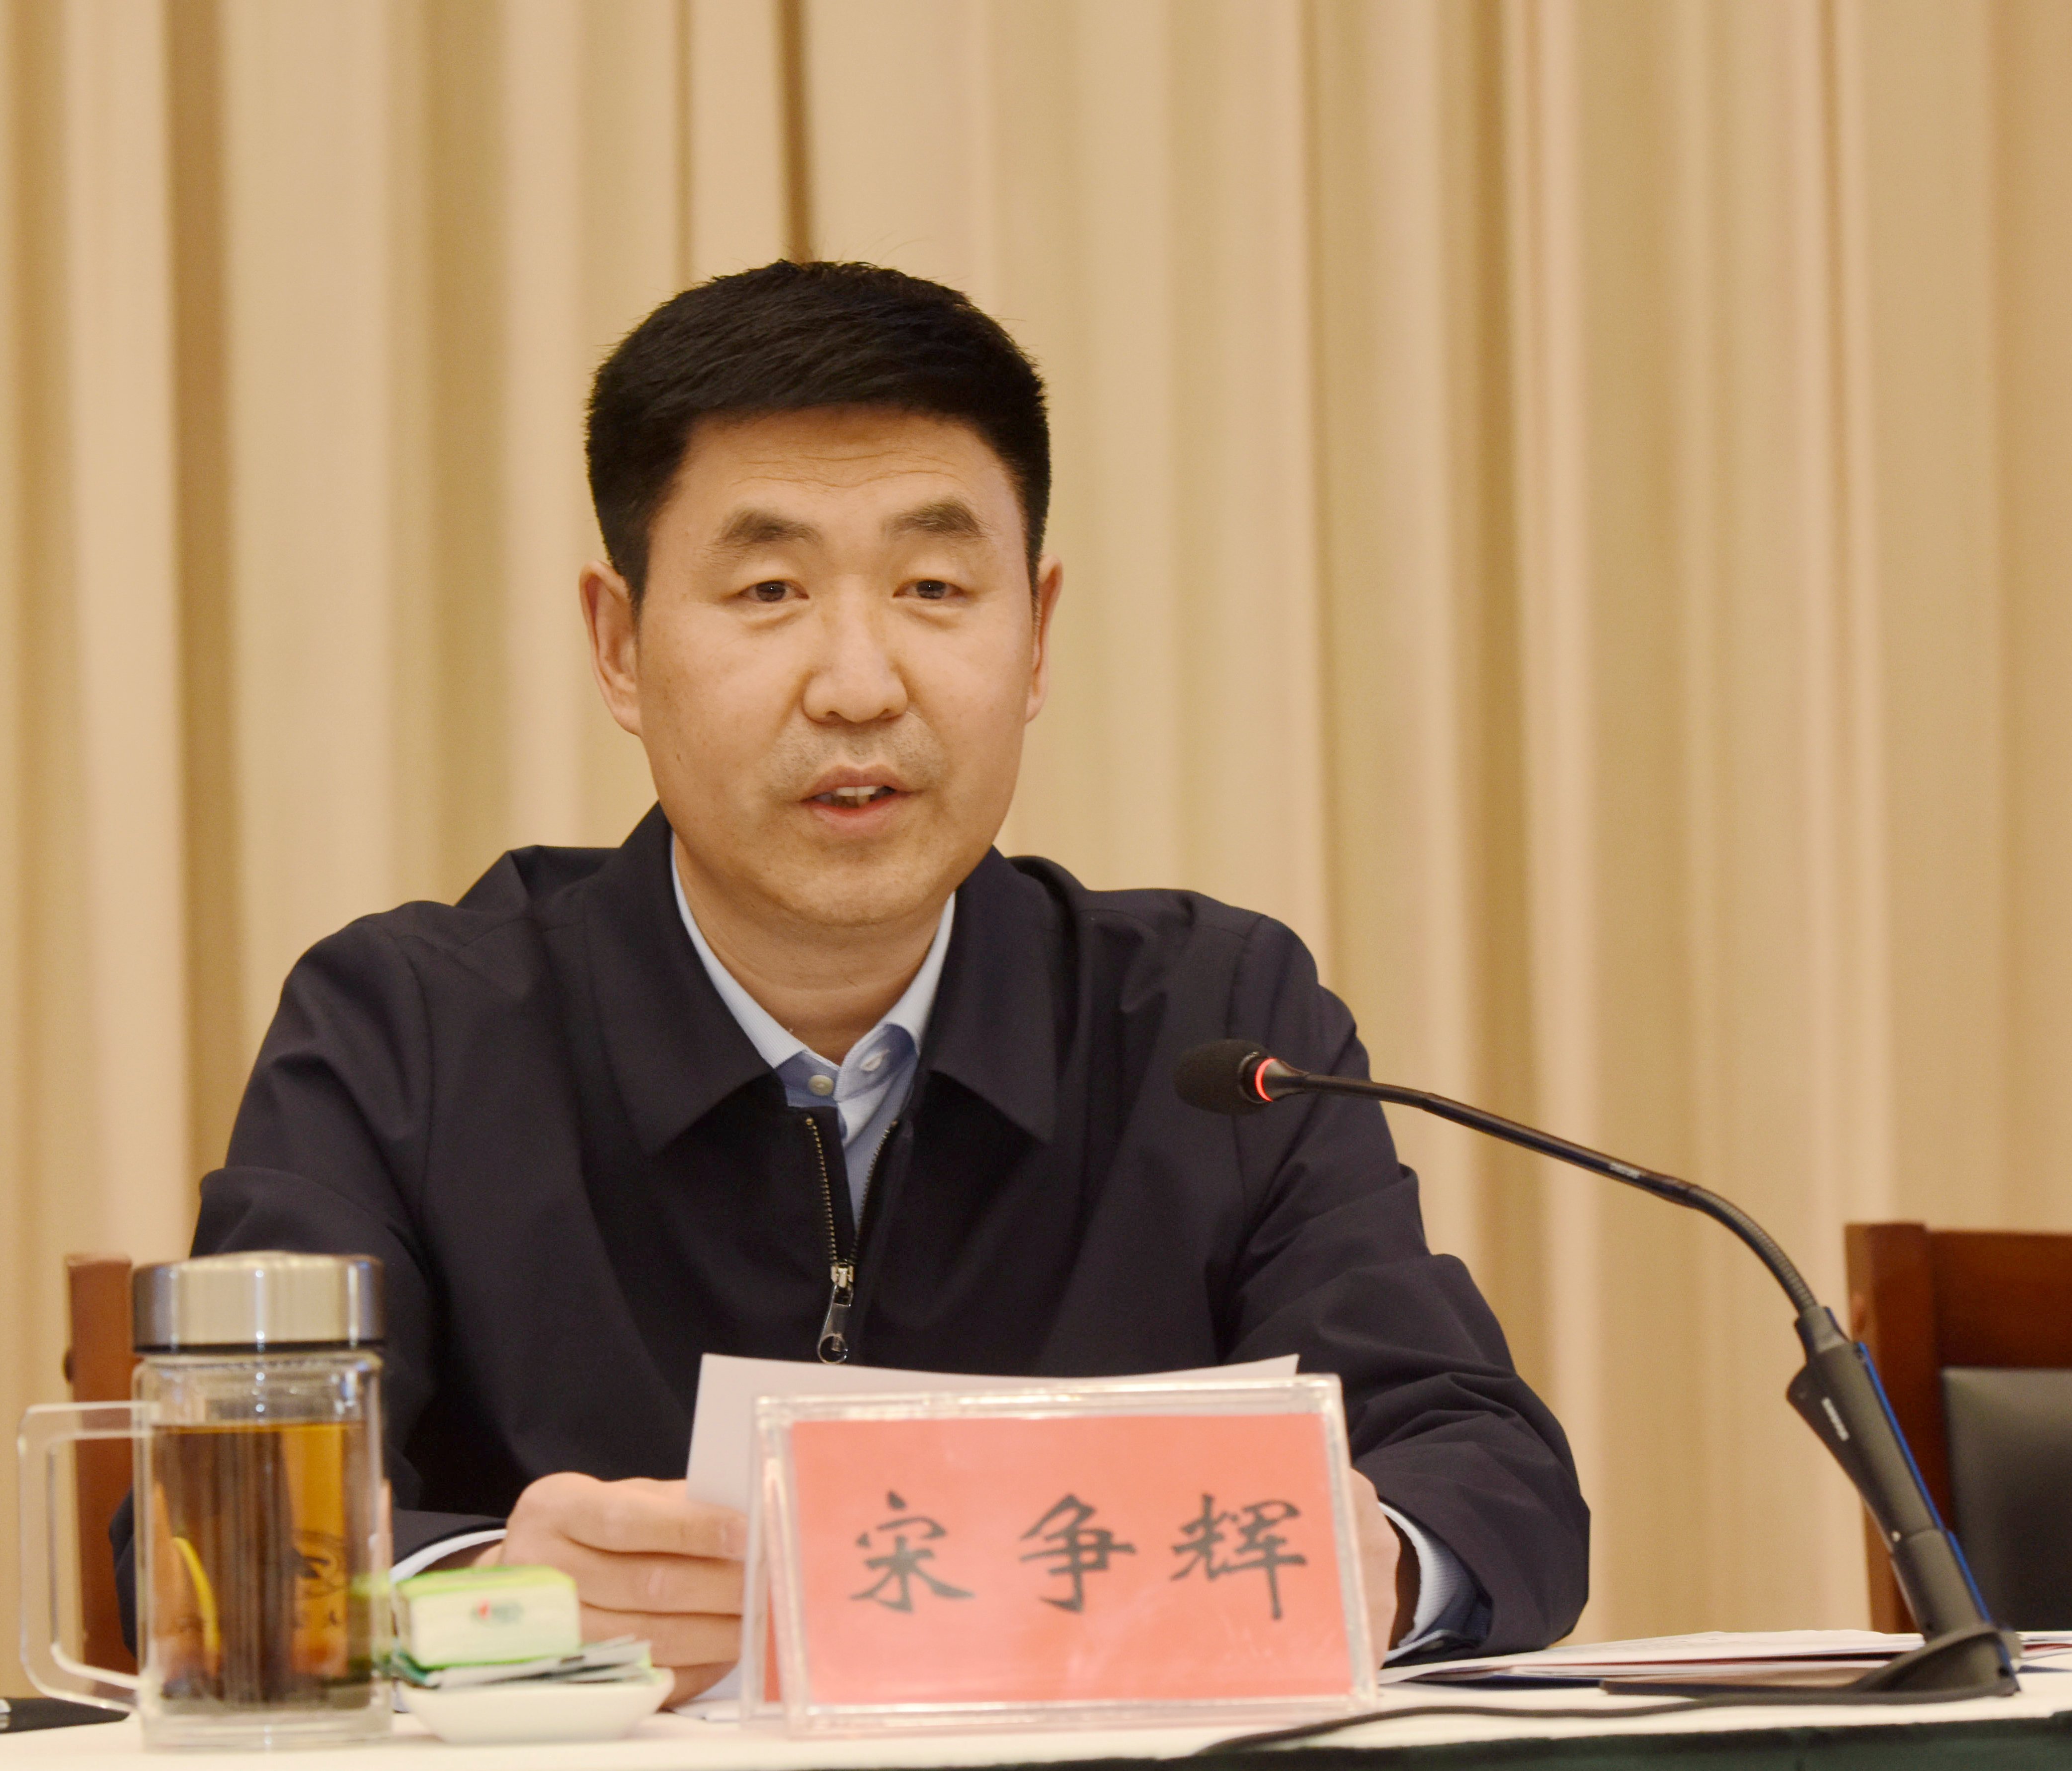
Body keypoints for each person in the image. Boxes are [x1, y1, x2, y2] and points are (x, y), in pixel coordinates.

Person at [142, 261, 1586, 1702]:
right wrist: (490, 1599)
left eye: (933, 589)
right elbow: (210, 1536)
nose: (857, 684)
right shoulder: (409, 1031)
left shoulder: (1214, 1026)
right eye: (768, 590)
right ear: (619, 646)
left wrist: (1378, 1558)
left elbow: (1489, 1473)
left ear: (1035, 636)